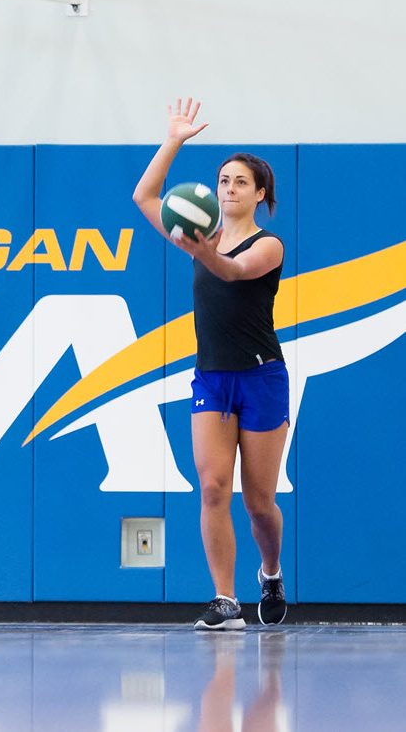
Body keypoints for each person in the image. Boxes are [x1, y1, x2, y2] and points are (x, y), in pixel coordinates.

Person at [133, 98, 289, 631]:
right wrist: (174, 138)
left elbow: (231, 271)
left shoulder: (269, 246)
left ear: (259, 193)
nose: (228, 189)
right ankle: (226, 601)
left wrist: (201, 252)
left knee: (259, 501)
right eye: (223, 180)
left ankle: (270, 572)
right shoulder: (201, 233)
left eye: (240, 182)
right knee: (214, 487)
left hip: (261, 377)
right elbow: (145, 195)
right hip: (212, 377)